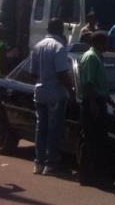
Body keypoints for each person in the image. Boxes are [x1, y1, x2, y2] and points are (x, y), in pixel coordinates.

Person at [29, 18, 73, 175]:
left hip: (40, 92)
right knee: (54, 130)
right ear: (60, 29)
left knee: (41, 129)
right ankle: (51, 164)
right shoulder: (59, 47)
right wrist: (72, 90)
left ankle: (38, 163)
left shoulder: (37, 46)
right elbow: (62, 73)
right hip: (55, 93)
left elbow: (33, 73)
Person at [77, 30, 115, 187]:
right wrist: (94, 105)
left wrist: (110, 101)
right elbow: (88, 84)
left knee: (98, 141)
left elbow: (99, 84)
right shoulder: (91, 57)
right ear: (100, 43)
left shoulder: (97, 57)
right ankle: (93, 177)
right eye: (107, 42)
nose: (108, 45)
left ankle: (93, 176)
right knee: (93, 142)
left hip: (98, 102)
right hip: (92, 104)